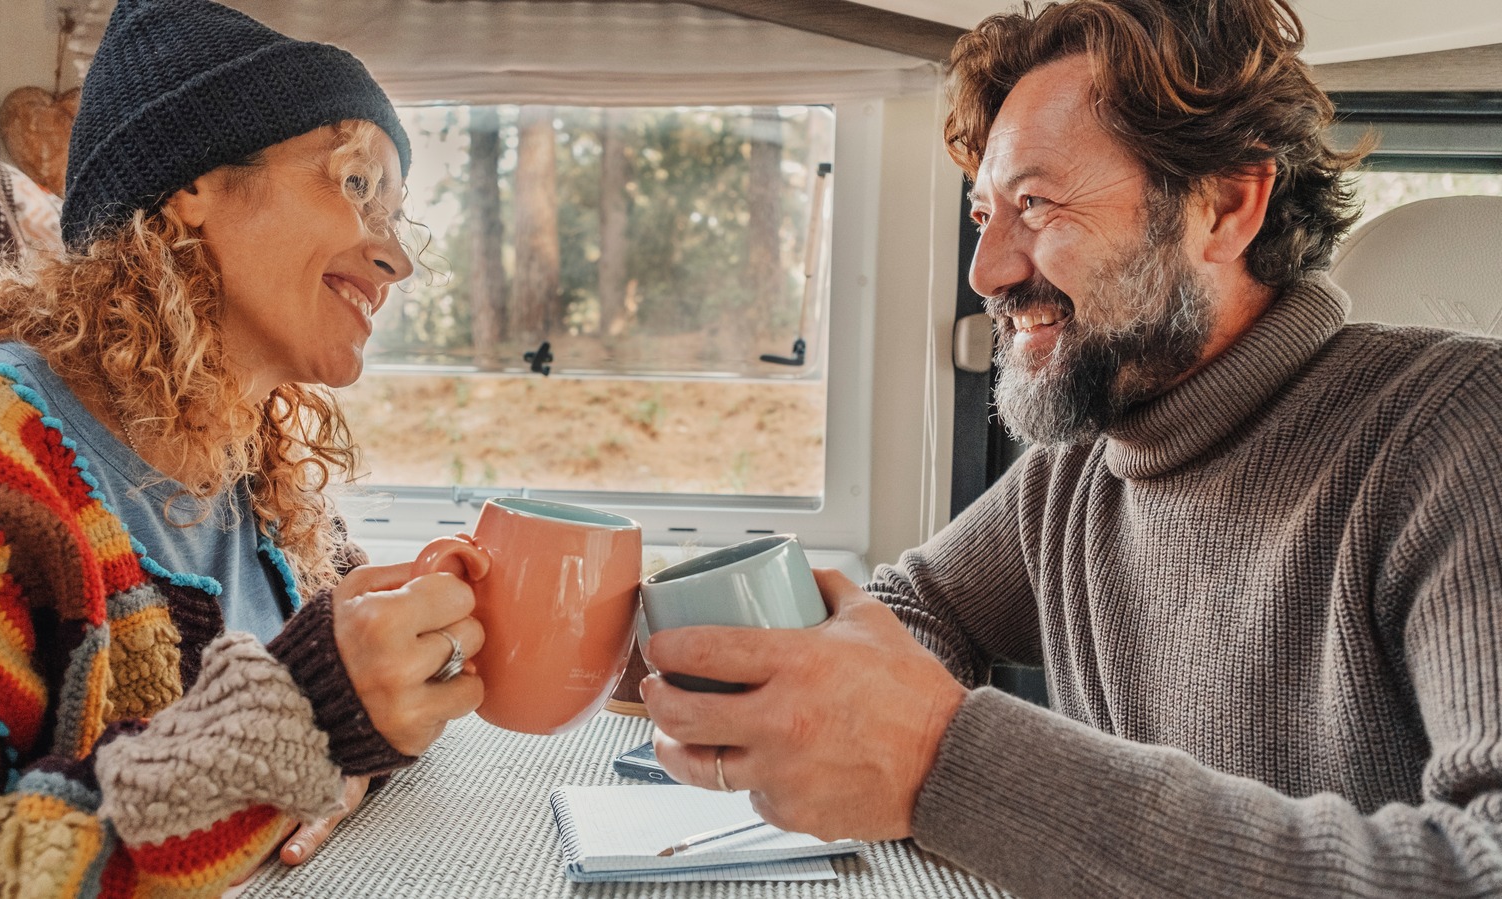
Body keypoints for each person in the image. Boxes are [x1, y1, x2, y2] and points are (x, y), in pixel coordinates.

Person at [640, 0, 1502, 896]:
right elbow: (913, 615)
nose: (987, 273)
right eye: (985, 214)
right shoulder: (1083, 470)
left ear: (1225, 205)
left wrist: (951, 763)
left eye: (1037, 203)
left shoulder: (1466, 435)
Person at [0, 0, 485, 893]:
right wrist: (307, 728)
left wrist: (342, 750)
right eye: (358, 185)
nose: (395, 259)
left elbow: (339, 721)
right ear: (191, 185)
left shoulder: (260, 472)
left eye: (397, 215)